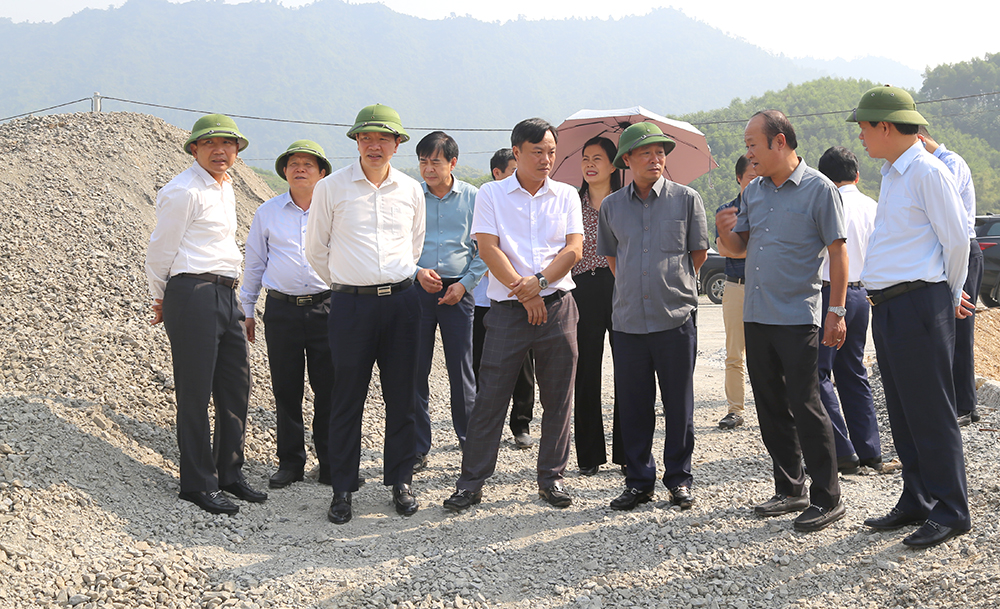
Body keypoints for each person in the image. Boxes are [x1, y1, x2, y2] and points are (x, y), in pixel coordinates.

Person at [848, 85, 972, 547]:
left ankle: (952, 508)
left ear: (885, 126)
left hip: (921, 301)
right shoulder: (893, 172)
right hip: (891, 305)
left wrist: (949, 294)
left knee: (931, 410)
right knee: (901, 408)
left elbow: (958, 240)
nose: (860, 136)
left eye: (863, 127)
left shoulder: (926, 171)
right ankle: (917, 497)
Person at [716, 110, 848, 533]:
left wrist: (837, 311)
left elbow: (838, 253)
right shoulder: (754, 191)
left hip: (797, 317)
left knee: (805, 404)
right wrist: (723, 234)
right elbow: (740, 248)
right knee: (770, 404)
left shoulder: (819, 189)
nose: (747, 152)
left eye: (752, 143)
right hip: (756, 315)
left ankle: (828, 497)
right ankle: (791, 489)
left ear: (779, 142)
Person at [444, 118, 583, 512]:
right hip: (507, 310)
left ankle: (551, 480)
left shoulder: (567, 195)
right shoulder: (491, 193)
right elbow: (488, 248)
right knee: (491, 397)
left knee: (558, 398)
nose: (546, 159)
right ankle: (471, 483)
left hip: (557, 306)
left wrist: (537, 285)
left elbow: (573, 249)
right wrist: (526, 294)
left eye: (551, 152)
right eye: (537, 151)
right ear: (517, 151)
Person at [305, 104, 425, 524]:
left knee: (403, 396)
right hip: (350, 305)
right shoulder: (331, 188)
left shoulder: (411, 190)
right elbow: (316, 250)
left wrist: (389, 282)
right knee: (346, 397)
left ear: (397, 144)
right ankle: (342, 487)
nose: (374, 146)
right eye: (366, 138)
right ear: (356, 142)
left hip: (403, 304)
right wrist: (348, 283)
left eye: (383, 139)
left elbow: (414, 246)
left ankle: (401, 479)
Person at [145, 114, 267, 515]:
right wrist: (163, 298)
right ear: (194, 149)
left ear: (237, 151)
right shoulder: (182, 191)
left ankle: (229, 473)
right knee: (195, 390)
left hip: (225, 292)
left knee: (235, 385)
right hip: (192, 292)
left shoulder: (225, 186)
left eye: (228, 145)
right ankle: (196, 483)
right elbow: (160, 251)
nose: (220, 151)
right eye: (210, 144)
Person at [597, 123, 709, 510]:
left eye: (660, 151)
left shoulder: (687, 199)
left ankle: (679, 479)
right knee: (633, 405)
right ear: (626, 161)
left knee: (679, 404)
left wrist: (669, 285)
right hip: (628, 322)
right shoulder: (610, 206)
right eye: (645, 152)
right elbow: (613, 257)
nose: (655, 158)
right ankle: (639, 481)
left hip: (675, 318)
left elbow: (698, 254)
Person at [239, 140, 334, 489]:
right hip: (281, 310)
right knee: (286, 388)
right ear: (284, 171)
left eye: (308, 164)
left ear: (322, 172)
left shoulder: (333, 210)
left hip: (327, 306)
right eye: (293, 163)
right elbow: (254, 264)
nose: (300, 169)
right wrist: (246, 309)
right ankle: (290, 461)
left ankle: (330, 462)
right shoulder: (268, 212)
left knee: (329, 389)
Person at [413, 131, 487, 472]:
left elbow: (484, 249)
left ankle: (469, 442)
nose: (428, 168)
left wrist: (466, 284)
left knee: (462, 369)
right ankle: (417, 446)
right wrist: (415, 272)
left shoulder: (473, 197)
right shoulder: (412, 196)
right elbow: (398, 244)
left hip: (459, 291)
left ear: (452, 163)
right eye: (423, 161)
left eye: (436, 162)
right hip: (417, 290)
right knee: (415, 369)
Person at [815, 146, 882, 473]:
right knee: (854, 371)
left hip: (830, 294)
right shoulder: (873, 205)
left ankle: (842, 450)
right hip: (861, 293)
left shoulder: (827, 202)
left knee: (819, 373)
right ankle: (870, 449)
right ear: (856, 175)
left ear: (824, 177)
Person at [917, 126, 983, 426]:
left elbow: (946, 213)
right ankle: (955, 402)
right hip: (949, 249)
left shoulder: (949, 163)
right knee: (948, 330)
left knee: (961, 328)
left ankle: (965, 405)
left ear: (918, 140)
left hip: (962, 249)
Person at [472, 149, 537, 449]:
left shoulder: (523, 205)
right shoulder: (485, 200)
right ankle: (483, 428)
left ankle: (521, 422)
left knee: (523, 368)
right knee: (482, 367)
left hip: (516, 298)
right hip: (481, 301)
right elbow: (479, 249)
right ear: (497, 173)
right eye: (512, 170)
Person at [572, 136, 624, 476]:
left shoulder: (628, 203)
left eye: (598, 158)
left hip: (620, 286)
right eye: (585, 158)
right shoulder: (570, 204)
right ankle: (589, 455)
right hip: (581, 288)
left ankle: (626, 452)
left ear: (614, 165)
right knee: (585, 371)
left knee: (628, 370)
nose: (590, 164)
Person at [715, 156, 756, 430]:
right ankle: (735, 410)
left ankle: (774, 409)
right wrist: (743, 249)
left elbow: (736, 249)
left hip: (765, 286)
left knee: (768, 353)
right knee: (734, 353)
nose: (757, 182)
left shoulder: (772, 208)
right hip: (735, 286)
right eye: (751, 177)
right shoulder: (727, 211)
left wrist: (738, 248)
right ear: (739, 178)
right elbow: (723, 248)